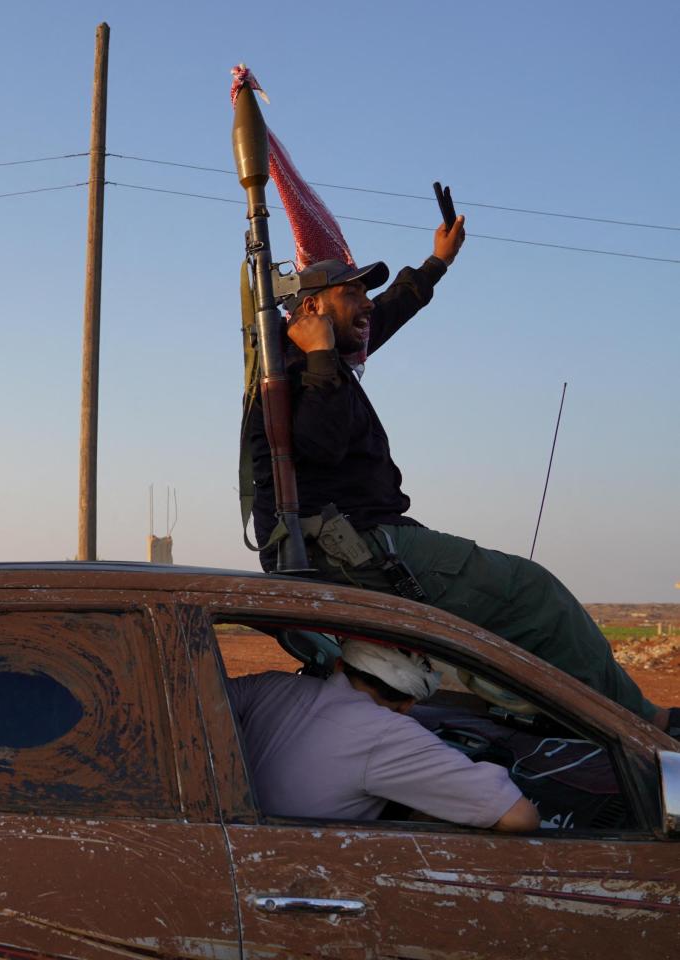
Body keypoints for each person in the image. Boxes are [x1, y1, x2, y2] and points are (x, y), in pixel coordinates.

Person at [243, 217, 673, 732]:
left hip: (361, 536)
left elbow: (391, 312)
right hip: (349, 544)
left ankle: (551, 713)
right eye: (353, 293)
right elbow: (319, 445)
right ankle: (638, 725)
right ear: (311, 309)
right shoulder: (291, 372)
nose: (368, 305)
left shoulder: (327, 358)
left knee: (491, 620)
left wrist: (438, 262)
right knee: (534, 595)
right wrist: (317, 356)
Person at [228, 640, 539, 831]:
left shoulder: (269, 685)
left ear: (339, 665)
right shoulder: (389, 734)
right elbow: (519, 818)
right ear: (408, 704)